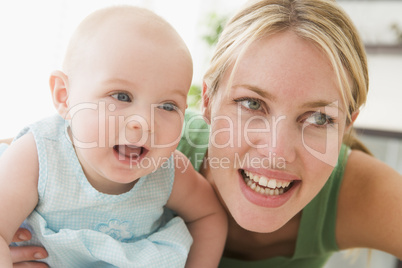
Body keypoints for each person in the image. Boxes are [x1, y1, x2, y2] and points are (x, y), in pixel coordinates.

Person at [7, 0, 402, 267]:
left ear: (346, 127)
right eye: (251, 103)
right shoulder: (146, 147)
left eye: (319, 119)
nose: (277, 153)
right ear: (207, 103)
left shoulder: (360, 193)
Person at [0, 5, 228, 268]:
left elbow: (210, 216)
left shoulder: (169, 171)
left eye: (167, 106)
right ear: (64, 95)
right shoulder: (38, 156)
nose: (143, 123)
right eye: (121, 96)